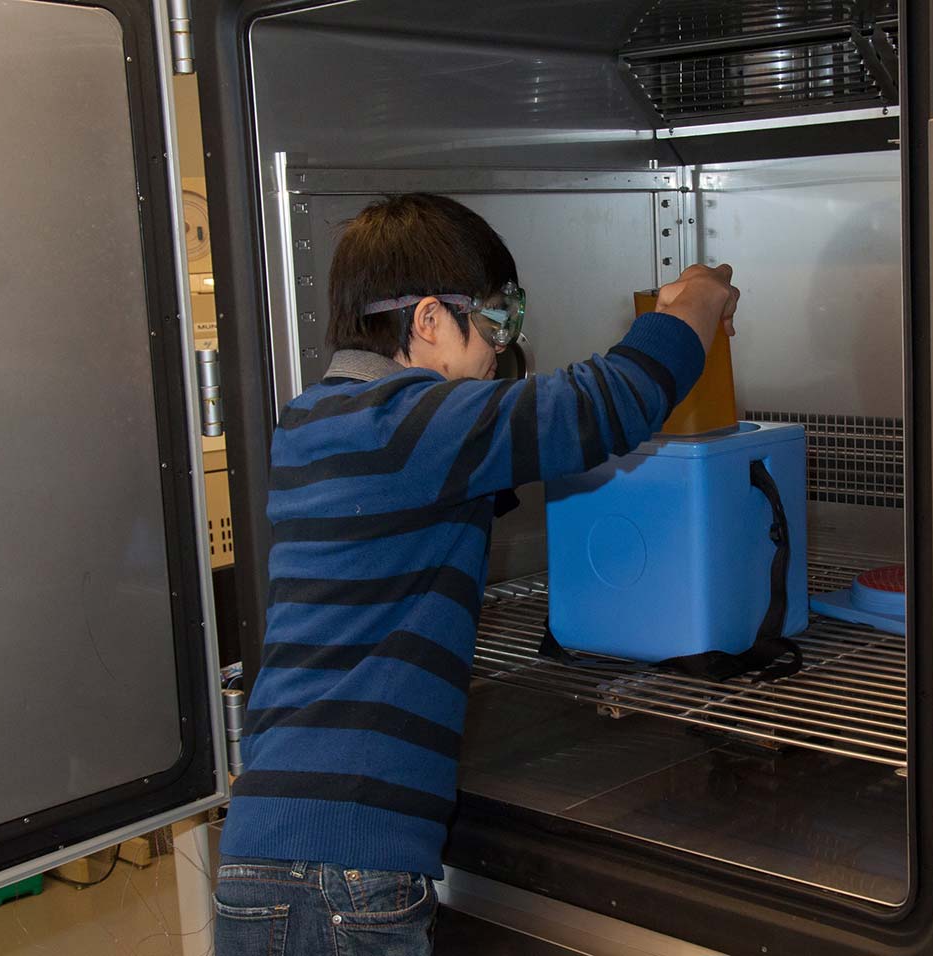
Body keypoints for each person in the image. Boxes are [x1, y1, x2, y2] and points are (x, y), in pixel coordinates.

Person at [213, 193, 739, 955]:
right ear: (428, 321)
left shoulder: (320, 419)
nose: (500, 349)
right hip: (340, 869)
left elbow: (511, 456)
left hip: (283, 851)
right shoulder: (410, 424)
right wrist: (692, 304)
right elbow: (602, 407)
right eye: (494, 323)